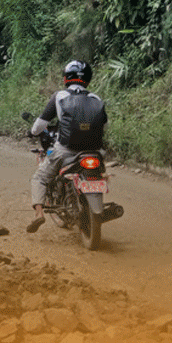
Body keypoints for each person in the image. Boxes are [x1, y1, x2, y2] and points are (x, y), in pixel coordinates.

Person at [26, 60, 107, 233]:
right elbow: (104, 126)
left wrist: (32, 132)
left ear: (66, 78)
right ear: (88, 79)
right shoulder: (96, 98)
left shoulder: (59, 96)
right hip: (94, 152)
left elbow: (40, 125)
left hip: (66, 151)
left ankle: (39, 214)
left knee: (39, 178)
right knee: (100, 175)